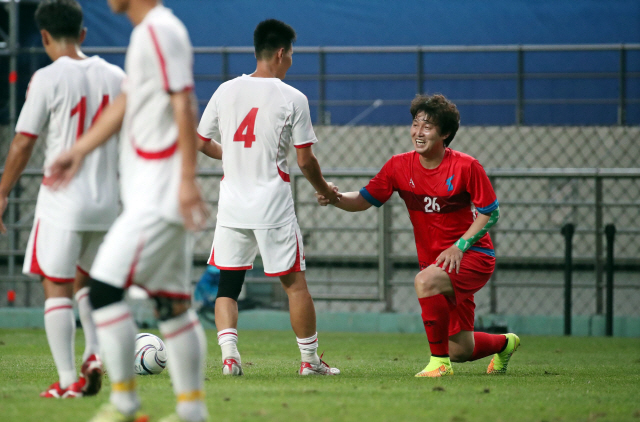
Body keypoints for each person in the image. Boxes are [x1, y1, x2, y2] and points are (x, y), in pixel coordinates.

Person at [48, 0, 208, 421]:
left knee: (102, 291)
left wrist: (187, 179)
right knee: (172, 304)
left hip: (158, 195)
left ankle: (123, 402)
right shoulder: (148, 34)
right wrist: (79, 150)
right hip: (153, 193)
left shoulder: (159, 30)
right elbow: (126, 102)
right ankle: (191, 410)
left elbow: (185, 103)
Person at [316, 94, 519, 377]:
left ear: (445, 133)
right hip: (438, 263)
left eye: (428, 126)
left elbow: (491, 212)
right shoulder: (399, 166)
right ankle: (505, 344)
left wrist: (460, 245)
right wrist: (335, 197)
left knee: (424, 281)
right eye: (415, 124)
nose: (418, 132)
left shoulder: (466, 166)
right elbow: (363, 199)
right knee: (461, 349)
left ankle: (439, 364)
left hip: (473, 256)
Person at [197, 19, 341, 377]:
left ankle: (229, 356)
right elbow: (306, 160)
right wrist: (325, 191)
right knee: (294, 285)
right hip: (272, 207)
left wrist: (231, 156)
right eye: (291, 54)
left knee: (228, 285)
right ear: (280, 53)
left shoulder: (225, 90)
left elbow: (201, 141)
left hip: (232, 206)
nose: (291, 61)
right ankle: (310, 362)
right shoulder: (292, 97)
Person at [0, 0, 124, 398]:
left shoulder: (47, 78)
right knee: (87, 283)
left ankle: (69, 379)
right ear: (84, 34)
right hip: (108, 201)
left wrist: (2, 191)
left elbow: (23, 142)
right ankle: (93, 353)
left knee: (56, 286)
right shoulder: (117, 76)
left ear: (44, 36)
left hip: (63, 201)